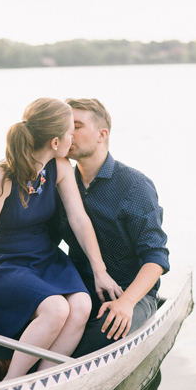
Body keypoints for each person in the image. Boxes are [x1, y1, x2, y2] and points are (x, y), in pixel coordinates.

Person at [0, 98, 121, 382]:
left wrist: (100, 271)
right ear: (56, 141)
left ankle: (45, 380)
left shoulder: (58, 167)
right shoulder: (2, 177)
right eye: (71, 132)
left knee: (82, 305)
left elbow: (79, 218)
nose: (74, 139)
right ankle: (11, 383)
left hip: (45, 258)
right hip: (6, 264)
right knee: (56, 308)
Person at [52, 98, 170, 357]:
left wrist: (126, 303)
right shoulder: (61, 183)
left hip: (132, 293)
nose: (68, 134)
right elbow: (43, 241)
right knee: (38, 308)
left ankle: (33, 369)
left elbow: (156, 257)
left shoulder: (135, 185)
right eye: (65, 127)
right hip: (79, 290)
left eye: (77, 126)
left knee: (112, 327)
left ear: (101, 135)